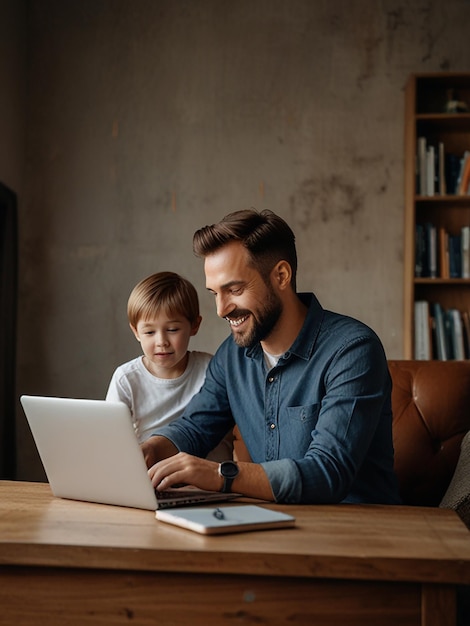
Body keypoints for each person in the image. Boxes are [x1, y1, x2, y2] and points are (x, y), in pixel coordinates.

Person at [141, 210, 401, 505]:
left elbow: (328, 473)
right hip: (272, 523)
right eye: (214, 293)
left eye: (234, 289)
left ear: (281, 276)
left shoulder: (353, 350)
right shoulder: (232, 355)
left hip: (360, 529)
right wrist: (150, 449)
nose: (221, 309)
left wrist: (220, 475)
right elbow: (195, 427)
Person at [106, 271, 231, 460]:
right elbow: (112, 439)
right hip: (154, 479)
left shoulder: (212, 369)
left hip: (211, 481)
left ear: (194, 325)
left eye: (172, 330)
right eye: (149, 332)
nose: (161, 341)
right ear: (136, 331)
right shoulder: (126, 379)